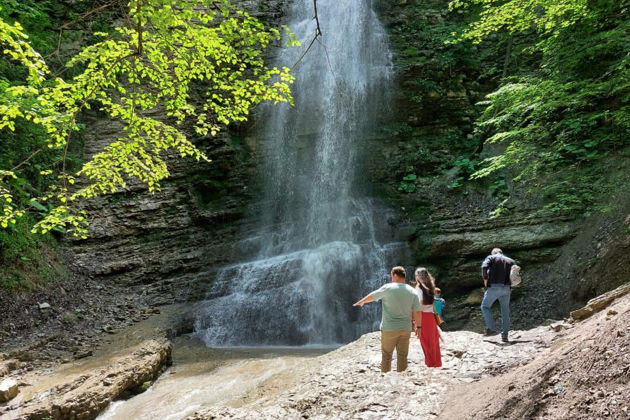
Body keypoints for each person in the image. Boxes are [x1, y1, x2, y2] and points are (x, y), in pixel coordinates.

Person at [353, 266, 422, 373]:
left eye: (391, 276)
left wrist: (362, 301)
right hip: (405, 328)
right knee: (403, 355)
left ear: (395, 275)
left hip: (389, 328)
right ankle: (402, 379)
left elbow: (373, 296)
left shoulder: (388, 287)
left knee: (387, 355)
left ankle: (385, 378)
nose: (391, 278)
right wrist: (418, 327)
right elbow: (417, 312)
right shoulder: (413, 291)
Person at [480, 247, 515, 343]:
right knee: (505, 312)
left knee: (485, 307)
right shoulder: (511, 261)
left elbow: (484, 267)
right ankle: (505, 336)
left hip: (494, 287)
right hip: (507, 288)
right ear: (502, 252)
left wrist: (485, 280)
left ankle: (491, 328)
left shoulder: (491, 258)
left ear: (493, 253)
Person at [413, 268, 442, 367]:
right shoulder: (431, 286)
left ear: (417, 277)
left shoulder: (419, 289)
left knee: (425, 340)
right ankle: (436, 362)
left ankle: (430, 362)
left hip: (423, 316)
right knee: (433, 340)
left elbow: (420, 304)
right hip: (430, 316)